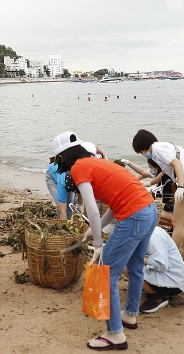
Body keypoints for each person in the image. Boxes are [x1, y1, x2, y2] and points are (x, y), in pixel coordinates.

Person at [54, 131, 157, 350]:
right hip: (149, 210)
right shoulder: (97, 162)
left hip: (134, 216)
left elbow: (91, 208)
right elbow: (113, 202)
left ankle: (115, 334)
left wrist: (99, 244)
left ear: (62, 157)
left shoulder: (78, 167)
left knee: (106, 273)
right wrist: (96, 229)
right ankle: (129, 315)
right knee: (136, 266)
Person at [132, 129, 184, 262]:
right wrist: (148, 183)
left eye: (141, 151)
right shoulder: (156, 151)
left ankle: (170, 257)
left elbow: (178, 164)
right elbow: (164, 173)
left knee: (176, 222)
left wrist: (181, 187)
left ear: (143, 146)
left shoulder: (158, 148)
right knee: (182, 221)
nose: (142, 154)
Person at [140, 227, 184, 313]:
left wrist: (138, 258)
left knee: (127, 263)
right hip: (170, 276)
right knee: (127, 259)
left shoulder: (153, 236)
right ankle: (147, 286)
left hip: (173, 282)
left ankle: (156, 296)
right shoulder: (146, 230)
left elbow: (162, 265)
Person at [115, 157, 176, 226]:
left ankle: (178, 225)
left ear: (157, 166)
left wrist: (147, 184)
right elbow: (142, 173)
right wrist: (128, 163)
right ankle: (176, 225)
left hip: (177, 211)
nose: (149, 169)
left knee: (152, 216)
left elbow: (145, 175)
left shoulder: (166, 177)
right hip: (173, 208)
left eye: (150, 167)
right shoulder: (159, 174)